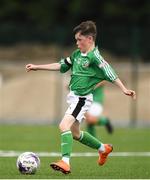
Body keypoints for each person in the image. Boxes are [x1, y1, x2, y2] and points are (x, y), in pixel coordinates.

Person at [26, 21, 136, 174]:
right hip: (73, 98)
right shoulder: (77, 55)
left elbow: (110, 73)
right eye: (76, 39)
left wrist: (124, 88)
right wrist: (38, 67)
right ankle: (103, 149)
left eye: (80, 39)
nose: (77, 43)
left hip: (82, 99)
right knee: (76, 134)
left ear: (90, 39)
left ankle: (65, 162)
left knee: (63, 126)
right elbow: (61, 64)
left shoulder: (95, 57)